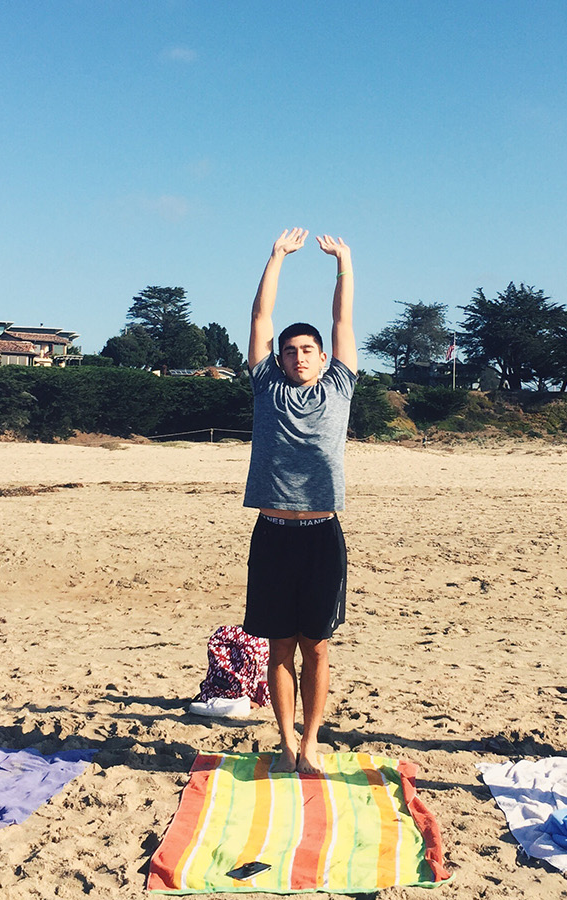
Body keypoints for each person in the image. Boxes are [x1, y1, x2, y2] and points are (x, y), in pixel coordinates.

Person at [242, 227, 356, 775]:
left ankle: (311, 742)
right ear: (280, 360)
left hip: (321, 536)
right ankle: (285, 740)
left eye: (307, 350)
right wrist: (276, 258)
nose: (298, 356)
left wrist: (344, 265)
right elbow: (261, 321)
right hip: (273, 533)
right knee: (278, 647)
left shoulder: (339, 387)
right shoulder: (267, 385)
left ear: (322, 357)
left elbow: (343, 323)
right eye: (290, 352)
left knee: (317, 648)